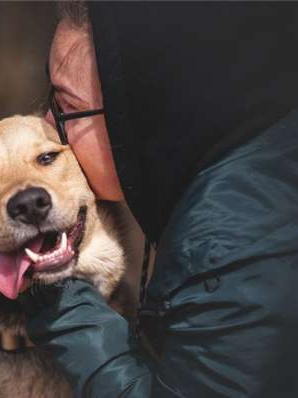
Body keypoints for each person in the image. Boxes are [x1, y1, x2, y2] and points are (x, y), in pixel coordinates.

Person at [19, 2, 298, 397]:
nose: (47, 129)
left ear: (146, 115)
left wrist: (50, 288)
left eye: (67, 107)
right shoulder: (241, 179)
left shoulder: (232, 252)